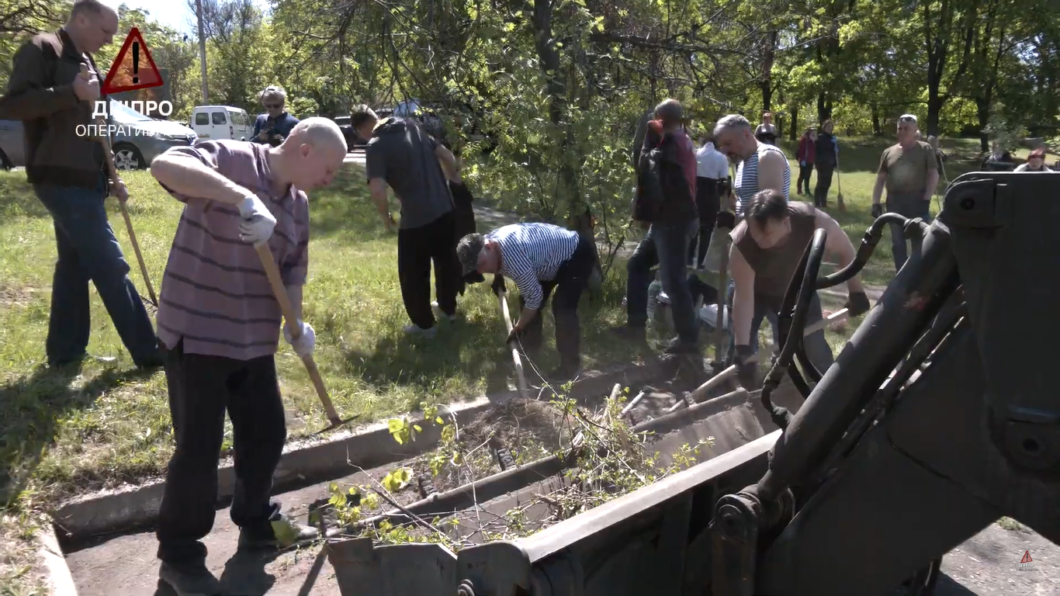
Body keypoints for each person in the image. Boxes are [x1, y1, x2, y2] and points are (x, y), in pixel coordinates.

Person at [147, 118, 347, 594]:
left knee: (266, 432)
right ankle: (179, 558)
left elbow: (292, 272)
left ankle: (256, 524)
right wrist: (239, 197)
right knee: (198, 450)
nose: (331, 178)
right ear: (302, 149)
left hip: (253, 340)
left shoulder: (298, 207)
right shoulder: (235, 159)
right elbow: (164, 164)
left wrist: (296, 328)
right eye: (330, 167)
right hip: (196, 332)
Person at [0, 0, 163, 369]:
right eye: (105, 31)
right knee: (110, 264)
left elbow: (96, 128)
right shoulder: (42, 49)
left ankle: (65, 353)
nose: (109, 40)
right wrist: (70, 93)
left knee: (74, 266)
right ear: (82, 18)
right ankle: (150, 352)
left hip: (86, 179)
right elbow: (12, 106)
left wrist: (111, 176)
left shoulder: (88, 61)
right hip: (58, 177)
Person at [729, 190, 870, 387]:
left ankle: (828, 393)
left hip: (798, 291)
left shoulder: (812, 221)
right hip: (756, 294)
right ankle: (745, 396)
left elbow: (846, 250)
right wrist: (742, 346)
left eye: (767, 234)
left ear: (786, 223)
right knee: (740, 356)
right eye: (755, 233)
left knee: (814, 348)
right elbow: (743, 296)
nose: (760, 240)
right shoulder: (742, 244)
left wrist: (856, 291)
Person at [352, 105, 464, 338]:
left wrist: (386, 216)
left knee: (413, 273)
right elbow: (445, 155)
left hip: (416, 219)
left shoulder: (376, 145)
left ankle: (425, 326)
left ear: (361, 129)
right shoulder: (413, 126)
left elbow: (377, 189)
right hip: (445, 208)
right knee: (446, 261)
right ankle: (448, 310)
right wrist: (454, 178)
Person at [614, 99, 700, 354]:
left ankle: (689, 340)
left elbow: (645, 170)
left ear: (660, 119)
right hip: (669, 220)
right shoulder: (681, 140)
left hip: (674, 221)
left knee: (674, 282)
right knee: (638, 264)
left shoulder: (670, 145)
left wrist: (649, 138)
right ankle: (636, 327)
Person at [457, 223, 594, 381]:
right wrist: (497, 276)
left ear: (488, 247)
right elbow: (498, 261)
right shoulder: (490, 243)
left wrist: (518, 328)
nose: (480, 272)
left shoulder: (515, 258)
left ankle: (571, 367)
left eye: (481, 265)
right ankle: (530, 347)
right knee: (526, 301)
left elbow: (535, 298)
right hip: (547, 261)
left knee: (562, 308)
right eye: (476, 268)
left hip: (576, 255)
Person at [870, 114, 939, 273]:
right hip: (894, 203)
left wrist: (926, 198)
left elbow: (933, 175)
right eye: (899, 128)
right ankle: (901, 276)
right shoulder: (888, 152)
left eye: (906, 128)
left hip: (917, 201)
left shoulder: (925, 149)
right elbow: (880, 179)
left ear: (915, 131)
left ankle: (918, 275)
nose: (902, 131)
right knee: (898, 243)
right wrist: (875, 202)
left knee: (919, 242)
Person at [713, 114, 791, 218]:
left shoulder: (768, 156)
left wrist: (734, 222)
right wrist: (729, 199)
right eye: (722, 146)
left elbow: (770, 213)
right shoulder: (743, 161)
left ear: (745, 134)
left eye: (728, 143)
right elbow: (746, 206)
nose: (724, 151)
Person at [689, 136, 729, 268]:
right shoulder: (721, 157)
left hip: (695, 192)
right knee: (707, 229)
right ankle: (701, 262)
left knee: (693, 227)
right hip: (711, 193)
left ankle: (689, 260)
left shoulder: (695, 154)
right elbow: (723, 180)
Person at [814, 119, 838, 208]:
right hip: (821, 163)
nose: (829, 129)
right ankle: (817, 202)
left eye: (831, 127)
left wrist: (836, 148)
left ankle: (823, 201)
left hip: (830, 163)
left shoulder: (832, 138)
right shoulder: (820, 137)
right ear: (824, 127)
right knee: (821, 182)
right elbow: (816, 150)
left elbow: (834, 151)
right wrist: (816, 162)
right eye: (828, 127)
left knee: (827, 182)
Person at [795, 127, 816, 198]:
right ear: (808, 133)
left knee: (808, 176)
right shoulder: (804, 140)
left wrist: (813, 142)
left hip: (810, 161)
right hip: (804, 161)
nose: (813, 134)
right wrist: (801, 159)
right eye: (812, 133)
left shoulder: (814, 141)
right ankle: (799, 189)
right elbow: (801, 150)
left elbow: (814, 152)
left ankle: (807, 190)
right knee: (802, 176)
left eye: (814, 133)